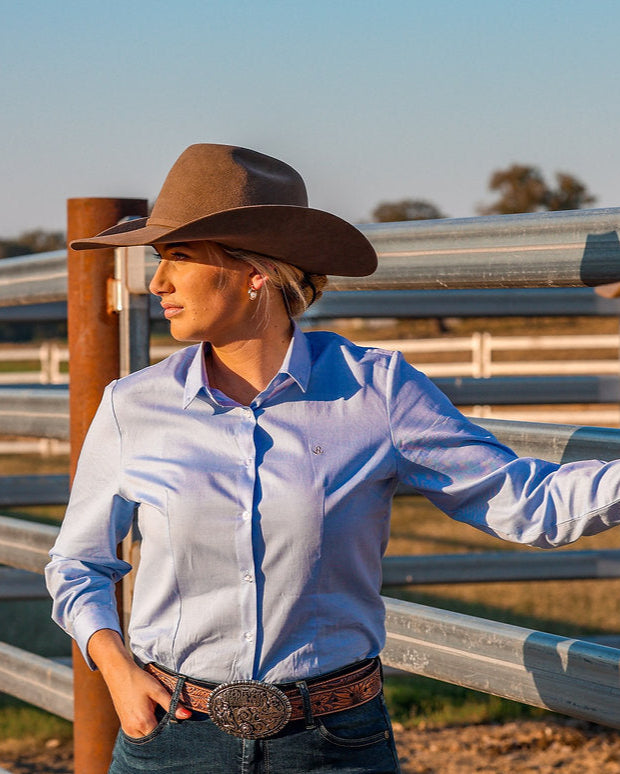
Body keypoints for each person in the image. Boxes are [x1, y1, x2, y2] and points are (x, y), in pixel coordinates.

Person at [46, 144, 620, 774]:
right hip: (172, 739)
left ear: (254, 273)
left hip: (334, 746)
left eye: (178, 258)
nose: (157, 283)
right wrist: (116, 668)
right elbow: (77, 564)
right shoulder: (134, 406)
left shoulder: (379, 392)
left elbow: (528, 505)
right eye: (160, 260)